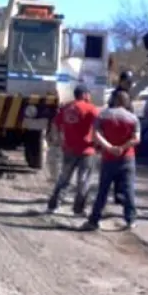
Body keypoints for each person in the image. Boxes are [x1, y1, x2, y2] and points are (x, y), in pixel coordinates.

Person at [81, 90, 140, 231]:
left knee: (103, 190)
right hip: (127, 158)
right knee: (128, 189)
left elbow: (96, 135)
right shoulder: (133, 118)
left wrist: (109, 147)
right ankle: (130, 220)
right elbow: (136, 139)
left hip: (109, 158)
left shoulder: (103, 115)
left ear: (114, 100)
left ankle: (94, 220)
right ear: (126, 102)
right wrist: (122, 147)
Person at [46, 85, 99, 216]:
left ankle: (53, 205)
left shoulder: (66, 108)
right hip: (87, 150)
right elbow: (99, 127)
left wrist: (57, 139)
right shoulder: (91, 109)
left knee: (64, 178)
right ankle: (78, 209)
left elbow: (55, 123)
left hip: (69, 149)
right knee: (83, 180)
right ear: (85, 94)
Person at [106, 70, 135, 204]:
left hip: (126, 132)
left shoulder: (127, 94)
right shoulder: (115, 95)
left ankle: (119, 193)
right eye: (127, 81)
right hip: (116, 133)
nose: (129, 84)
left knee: (123, 167)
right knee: (116, 165)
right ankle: (116, 194)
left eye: (130, 82)